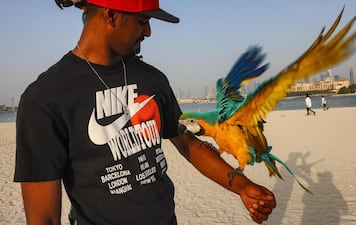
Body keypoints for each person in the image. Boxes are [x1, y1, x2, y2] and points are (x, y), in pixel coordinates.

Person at [14, 1, 276, 224]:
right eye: (142, 21)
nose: (149, 32)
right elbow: (43, 218)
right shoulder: (45, 99)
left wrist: (241, 186)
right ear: (111, 15)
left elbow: (187, 143)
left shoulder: (152, 79)